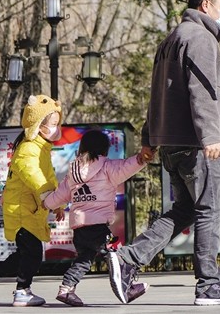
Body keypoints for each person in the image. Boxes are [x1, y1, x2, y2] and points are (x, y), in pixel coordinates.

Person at [107, 0, 220, 306]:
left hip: (172, 144)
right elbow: (203, 91)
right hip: (196, 144)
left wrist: (149, 137)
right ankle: (209, 285)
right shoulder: (200, 37)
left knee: (185, 209)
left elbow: (158, 94)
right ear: (206, 5)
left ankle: (128, 259)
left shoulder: (171, 39)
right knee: (212, 209)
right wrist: (211, 136)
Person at [42, 128, 151, 306]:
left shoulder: (72, 173)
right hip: (97, 226)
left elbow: (59, 195)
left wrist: (46, 204)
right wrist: (141, 159)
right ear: (105, 150)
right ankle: (127, 287)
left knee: (84, 260)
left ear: (81, 148)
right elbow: (126, 167)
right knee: (116, 252)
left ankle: (66, 289)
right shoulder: (107, 167)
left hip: (79, 230)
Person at [0, 94, 63, 307]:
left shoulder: (40, 147)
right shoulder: (29, 148)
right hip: (22, 209)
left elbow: (49, 177)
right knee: (32, 253)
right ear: (39, 125)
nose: (57, 128)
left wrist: (57, 203)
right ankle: (22, 291)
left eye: (57, 123)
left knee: (27, 253)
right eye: (53, 124)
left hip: (28, 208)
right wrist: (49, 197)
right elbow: (33, 175)